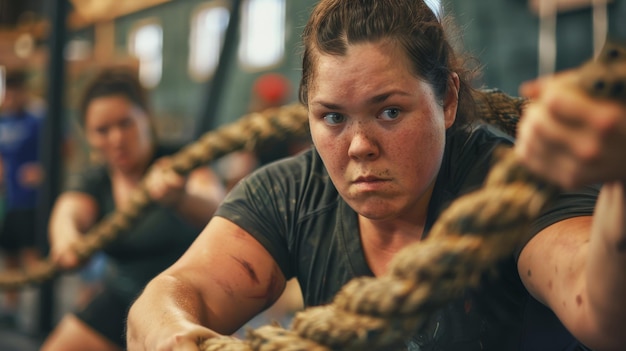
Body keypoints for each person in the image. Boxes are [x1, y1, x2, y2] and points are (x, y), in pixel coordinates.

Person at [126, 1, 625, 350]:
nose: (360, 147)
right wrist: (173, 332)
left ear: (447, 100)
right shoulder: (293, 193)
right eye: (333, 118)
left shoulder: (509, 188)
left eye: (389, 112)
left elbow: (606, 317)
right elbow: (166, 295)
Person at [40, 66, 226, 351]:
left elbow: (216, 205)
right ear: (88, 137)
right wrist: (66, 239)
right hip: (123, 300)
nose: (116, 139)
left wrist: (180, 198)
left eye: (125, 123)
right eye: (102, 130)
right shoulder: (97, 180)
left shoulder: (180, 161)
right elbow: (70, 210)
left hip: (187, 301)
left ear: (146, 118)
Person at [0, 68, 44, 327]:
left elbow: (64, 149)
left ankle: (41, 311)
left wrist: (45, 170)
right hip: (10, 201)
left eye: (17, 90)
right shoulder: (3, 121)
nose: (12, 95)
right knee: (11, 256)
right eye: (9, 89)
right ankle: (11, 309)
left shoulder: (38, 119)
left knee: (32, 257)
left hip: (32, 201)